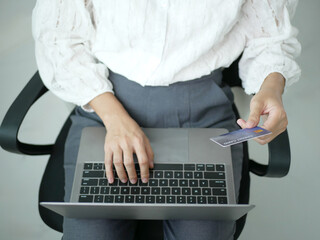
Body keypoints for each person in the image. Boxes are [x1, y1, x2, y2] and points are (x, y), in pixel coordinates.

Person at [32, 0, 301, 239]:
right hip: (107, 108)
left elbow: (270, 38)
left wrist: (271, 86)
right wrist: (115, 119)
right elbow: (58, 36)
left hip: (203, 114)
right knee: (92, 232)